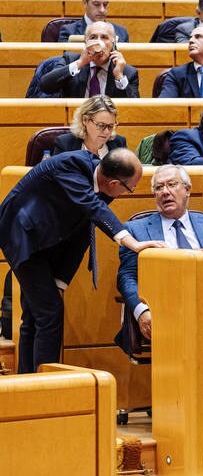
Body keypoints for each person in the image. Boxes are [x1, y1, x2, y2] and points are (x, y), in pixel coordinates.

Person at [0, 148, 165, 373]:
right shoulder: (72, 166)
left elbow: (81, 235)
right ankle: (44, 385)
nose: (131, 192)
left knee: (34, 314)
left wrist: (61, 281)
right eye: (130, 188)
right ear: (114, 183)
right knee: (50, 313)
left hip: (48, 240)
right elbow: (93, 207)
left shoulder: (104, 187)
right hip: (21, 234)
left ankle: (27, 380)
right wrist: (132, 243)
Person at [117, 165, 203, 341]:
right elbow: (127, 276)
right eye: (159, 187)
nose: (165, 192)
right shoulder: (136, 230)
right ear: (154, 195)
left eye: (172, 184)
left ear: (187, 189)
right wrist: (142, 311)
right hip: (164, 312)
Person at [40, 21, 139, 98]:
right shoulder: (70, 60)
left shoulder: (127, 72)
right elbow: (45, 86)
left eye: (104, 37)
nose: (99, 42)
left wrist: (119, 76)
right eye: (93, 38)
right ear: (86, 42)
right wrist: (80, 63)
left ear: (113, 44)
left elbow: (134, 109)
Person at [53, 96, 127, 158]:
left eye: (110, 126)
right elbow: (58, 174)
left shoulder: (119, 144)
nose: (107, 131)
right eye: (101, 125)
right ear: (85, 120)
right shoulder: (65, 144)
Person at [59, 0, 130, 42]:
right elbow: (66, 57)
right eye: (96, 4)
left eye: (105, 4)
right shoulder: (68, 32)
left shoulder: (121, 33)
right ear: (85, 3)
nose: (102, 10)